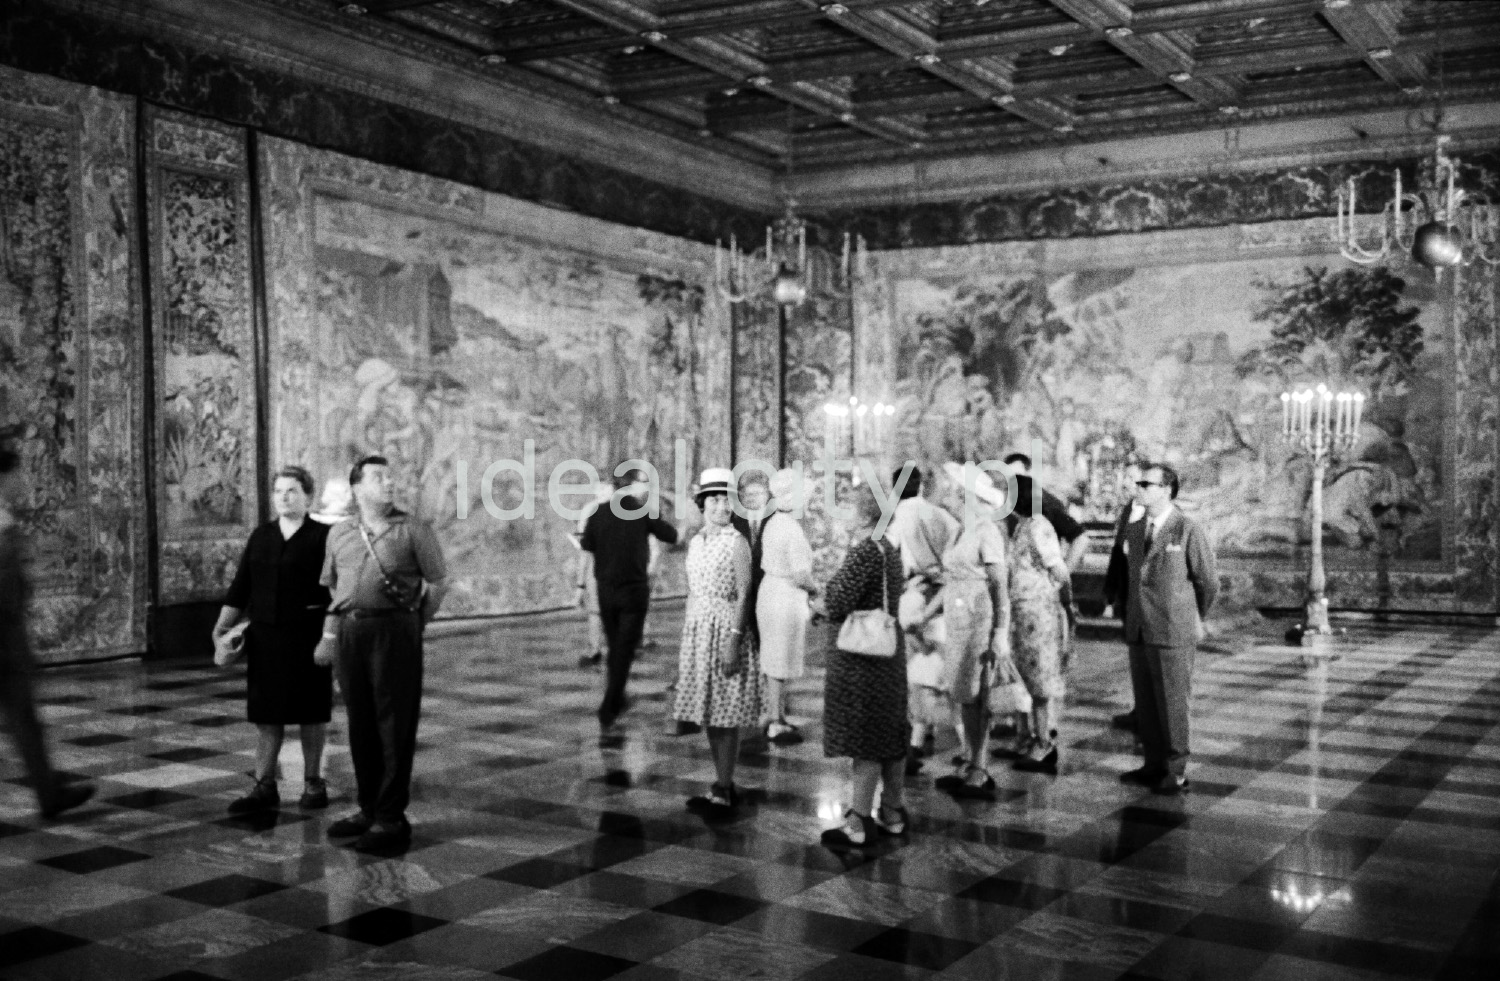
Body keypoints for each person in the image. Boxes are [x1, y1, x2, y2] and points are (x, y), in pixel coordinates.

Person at [315, 455, 448, 852]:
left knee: (394, 724)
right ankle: (368, 808)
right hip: (352, 631)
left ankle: (392, 819)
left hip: (395, 630)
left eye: (391, 477)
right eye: (378, 478)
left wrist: (414, 622)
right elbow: (332, 587)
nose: (389, 483)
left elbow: (438, 583)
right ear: (357, 488)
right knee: (360, 722)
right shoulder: (339, 533)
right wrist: (332, 633)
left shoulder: (413, 529)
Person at [213, 466, 334, 814]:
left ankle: (314, 782)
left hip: (308, 637)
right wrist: (221, 628)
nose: (284, 496)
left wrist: (330, 637)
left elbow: (336, 594)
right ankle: (264, 785)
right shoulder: (261, 536)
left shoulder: (323, 537)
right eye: (279, 491)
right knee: (268, 716)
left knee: (311, 714)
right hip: (266, 639)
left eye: (292, 490)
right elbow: (241, 586)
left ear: (308, 496)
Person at [0, 436, 94, 820]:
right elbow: (7, 593)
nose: (20, 481)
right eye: (14, 474)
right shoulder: (1, 524)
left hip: (7, 642)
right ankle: (48, 794)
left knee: (26, 724)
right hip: (3, 643)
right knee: (25, 722)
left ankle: (49, 793)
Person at [818, 484, 909, 848]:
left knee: (866, 739)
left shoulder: (864, 552)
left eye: (848, 505)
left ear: (866, 514)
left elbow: (838, 598)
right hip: (888, 656)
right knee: (889, 736)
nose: (843, 510)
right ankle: (892, 812)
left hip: (863, 661)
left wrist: (819, 602)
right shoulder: (888, 549)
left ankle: (858, 820)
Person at [1119, 463, 1217, 795]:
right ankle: (1152, 763)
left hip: (1173, 630)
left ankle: (1175, 770)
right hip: (1139, 629)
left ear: (1167, 489)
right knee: (1145, 702)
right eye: (1138, 483)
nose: (1139, 488)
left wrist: (1193, 617)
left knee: (1173, 702)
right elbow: (1132, 581)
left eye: (1147, 483)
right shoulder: (1133, 530)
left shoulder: (1187, 529)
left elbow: (1208, 582)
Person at [672, 468, 763, 812]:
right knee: (709, 713)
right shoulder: (697, 542)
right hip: (698, 632)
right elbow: (694, 593)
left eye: (726, 499)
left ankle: (724, 788)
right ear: (702, 503)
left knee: (725, 715)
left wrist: (734, 639)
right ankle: (721, 784)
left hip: (726, 630)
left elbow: (744, 595)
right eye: (715, 499)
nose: (722, 506)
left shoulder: (736, 542)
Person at [932, 463, 1011, 801]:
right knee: (963, 691)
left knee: (979, 694)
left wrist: (1000, 631)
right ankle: (968, 759)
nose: (952, 494)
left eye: (958, 490)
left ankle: (980, 766)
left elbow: (999, 584)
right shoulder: (960, 529)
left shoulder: (987, 531)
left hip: (980, 618)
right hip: (957, 618)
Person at [580, 466, 679, 731]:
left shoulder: (597, 512)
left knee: (616, 646)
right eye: (643, 485)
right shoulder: (643, 510)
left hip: (606, 590)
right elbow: (671, 535)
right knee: (623, 649)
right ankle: (610, 703)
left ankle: (617, 696)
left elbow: (587, 546)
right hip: (633, 590)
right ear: (632, 487)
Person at [886, 464, 960, 771]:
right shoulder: (940, 514)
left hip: (913, 599)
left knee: (915, 675)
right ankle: (960, 744)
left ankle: (915, 740)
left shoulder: (895, 519)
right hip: (944, 598)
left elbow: (892, 559)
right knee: (941, 673)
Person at [1002, 488, 1073, 774]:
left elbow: (1058, 570)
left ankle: (1044, 743)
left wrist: (1063, 601)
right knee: (1028, 676)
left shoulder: (1040, 526)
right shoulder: (1022, 526)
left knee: (1040, 676)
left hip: (1038, 613)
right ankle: (1033, 738)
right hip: (1023, 612)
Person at [754, 468, 817, 745]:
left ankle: (774, 713)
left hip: (771, 592)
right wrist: (819, 590)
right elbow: (801, 576)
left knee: (773, 657)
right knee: (780, 659)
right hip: (785, 597)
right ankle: (775, 721)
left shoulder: (774, 522)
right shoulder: (791, 528)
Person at [1103, 462, 1145, 732]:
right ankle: (1140, 708)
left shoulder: (1154, 516)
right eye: (1126, 477)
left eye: (1133, 478)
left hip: (1145, 595)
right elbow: (1119, 553)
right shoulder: (1129, 509)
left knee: (1147, 654)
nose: (1127, 482)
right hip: (1128, 592)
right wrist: (1111, 593)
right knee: (1136, 653)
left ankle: (1149, 712)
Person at [572, 478, 612, 669]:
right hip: (596, 565)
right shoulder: (590, 510)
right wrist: (580, 584)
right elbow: (584, 546)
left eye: (605, 490)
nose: (601, 494)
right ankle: (595, 648)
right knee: (595, 610)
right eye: (599, 490)